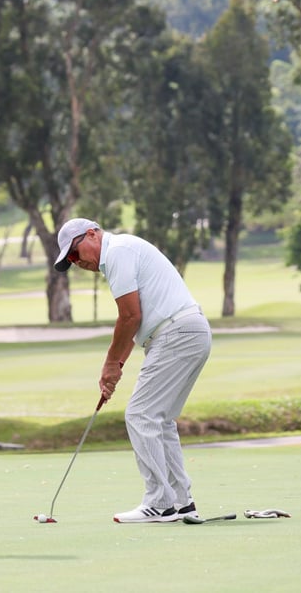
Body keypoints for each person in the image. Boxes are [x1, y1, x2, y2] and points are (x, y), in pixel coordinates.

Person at [53, 218, 212, 523]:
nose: (78, 263)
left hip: (177, 332)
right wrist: (117, 365)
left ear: (91, 234)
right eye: (71, 261)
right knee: (159, 420)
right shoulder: (123, 251)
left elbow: (129, 316)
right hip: (189, 331)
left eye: (75, 254)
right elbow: (134, 320)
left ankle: (160, 503)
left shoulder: (117, 252)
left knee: (140, 415)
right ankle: (181, 502)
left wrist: (111, 364)